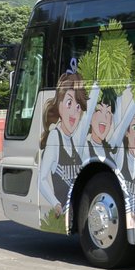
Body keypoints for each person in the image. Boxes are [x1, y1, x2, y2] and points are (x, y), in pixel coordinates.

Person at [38, 72, 93, 216]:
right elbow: (41, 179)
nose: (74, 111)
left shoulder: (75, 141)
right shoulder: (55, 137)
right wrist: (55, 204)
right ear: (60, 105)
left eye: (78, 107)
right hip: (64, 215)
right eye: (69, 103)